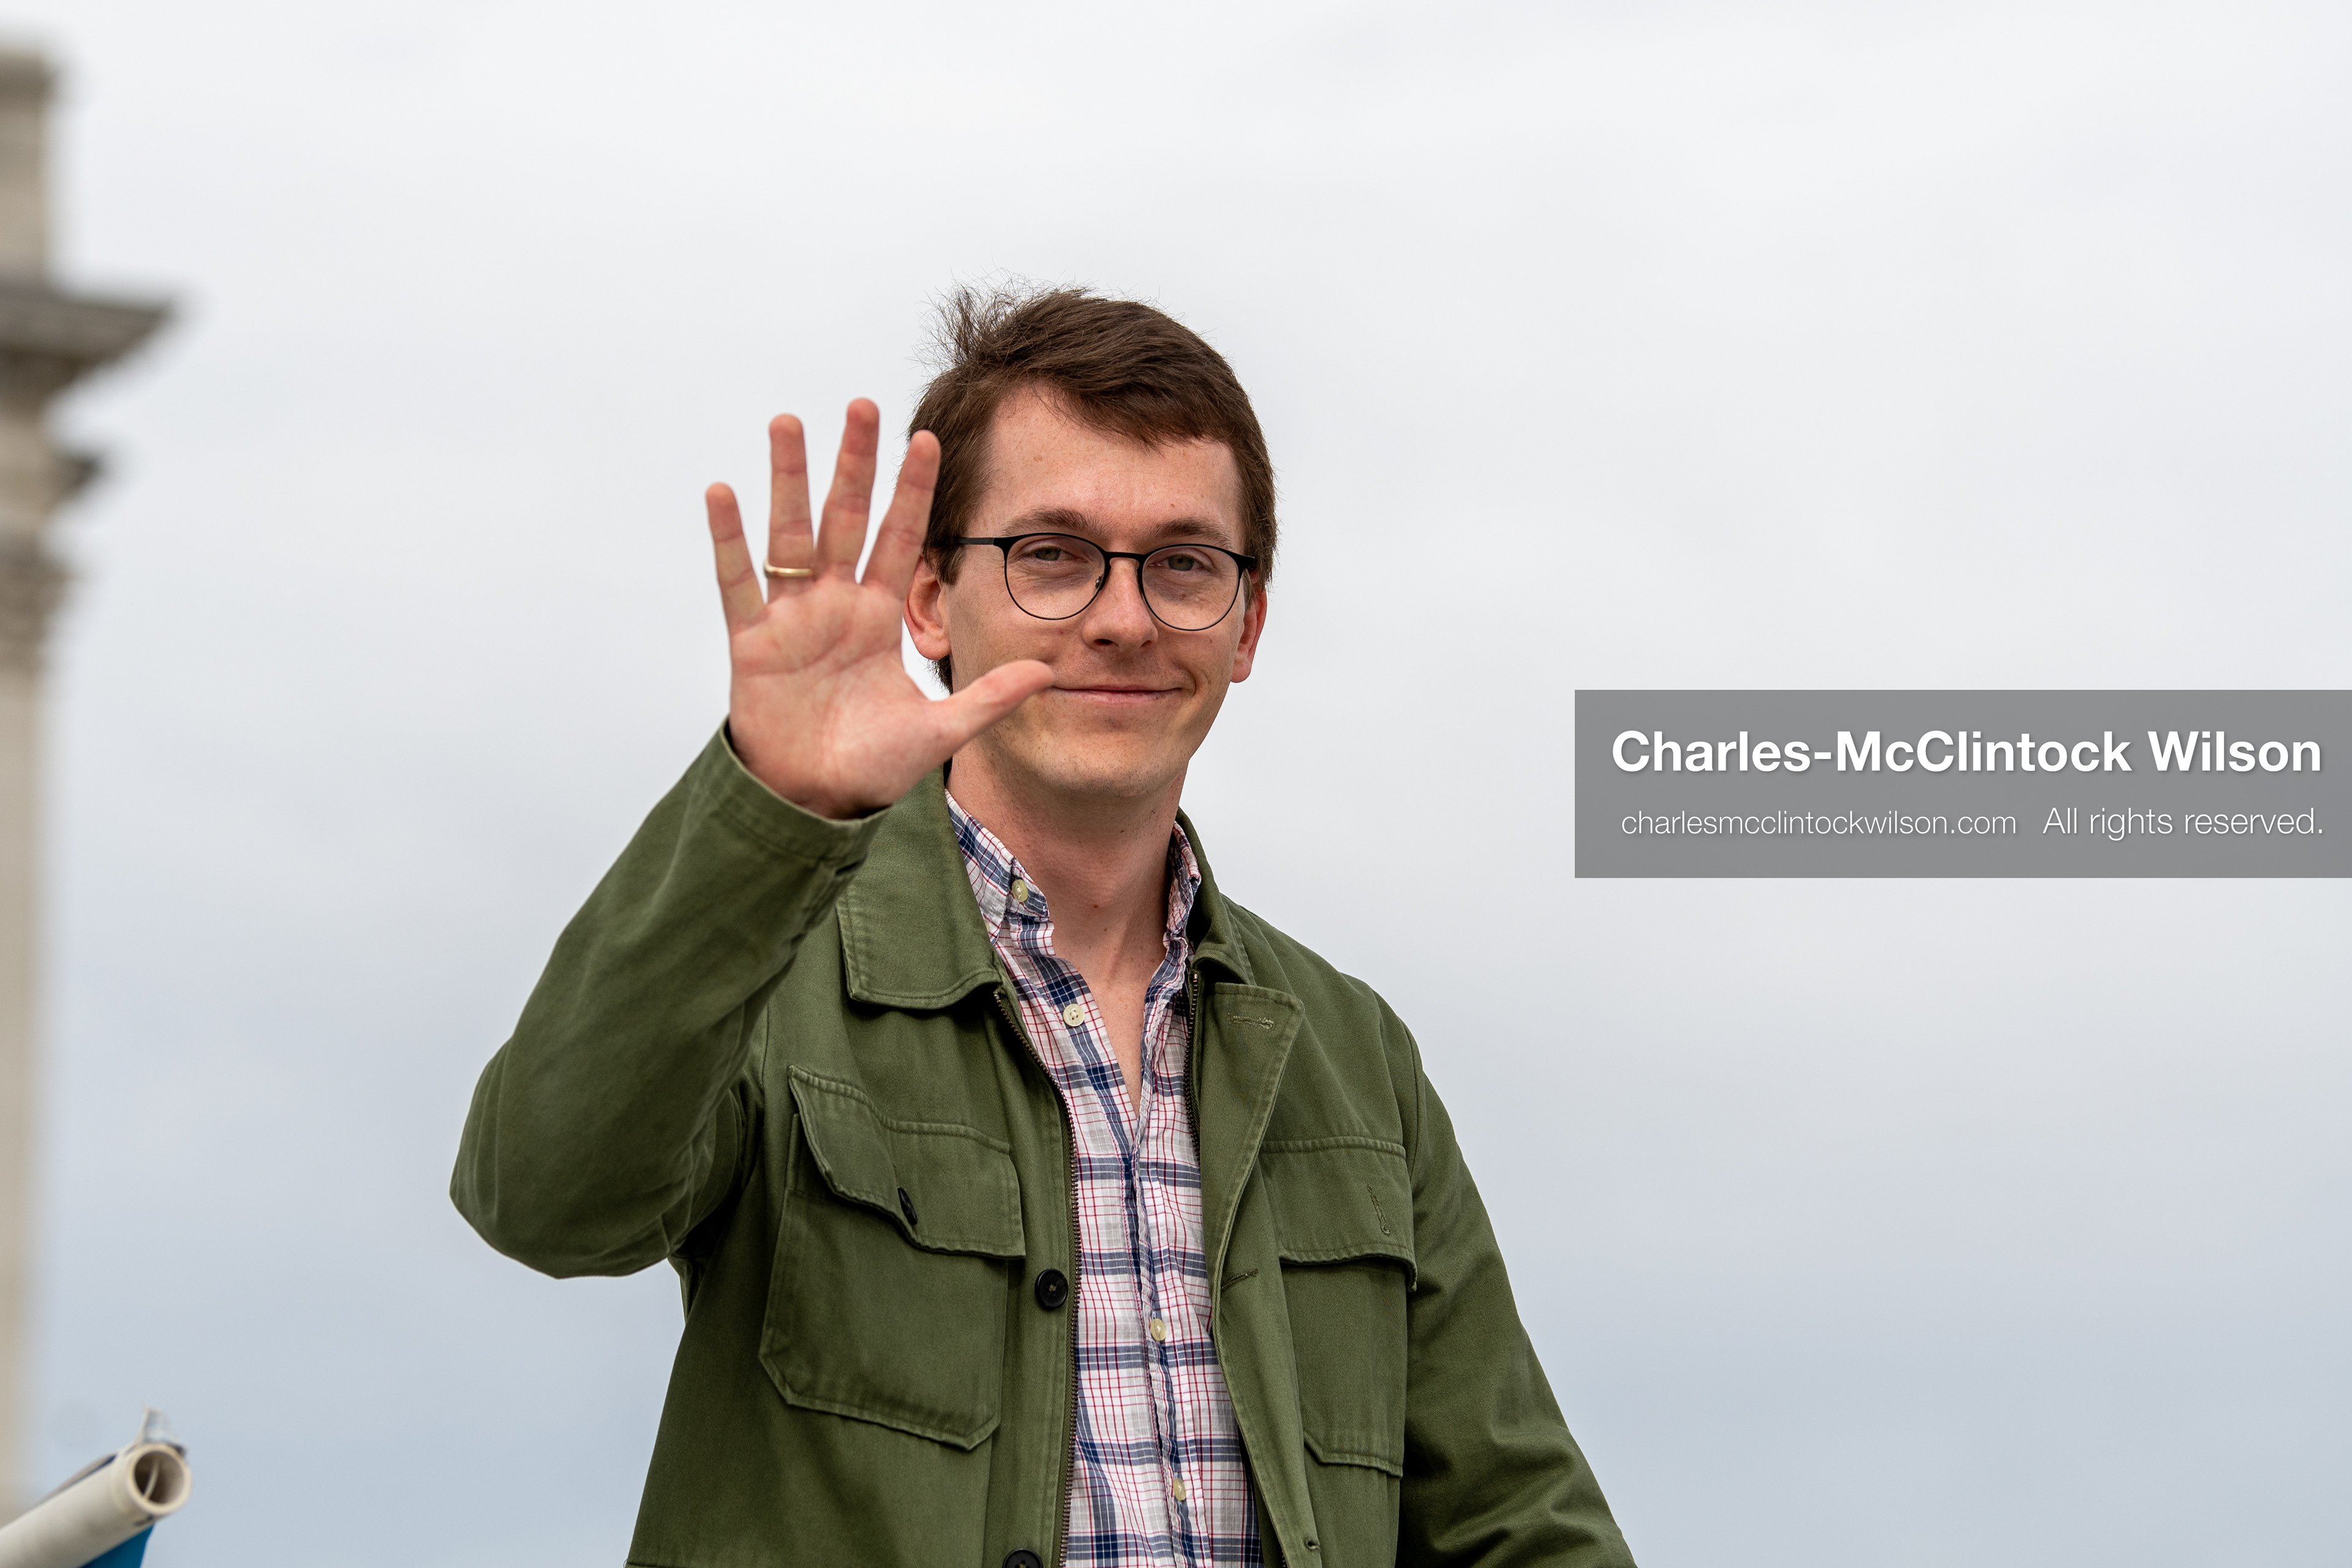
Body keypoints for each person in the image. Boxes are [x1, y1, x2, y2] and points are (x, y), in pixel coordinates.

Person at [452, 287, 1634, 1567]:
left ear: (1248, 624)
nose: (1124, 617)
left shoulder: (1356, 1058)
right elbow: (545, 1199)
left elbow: (1520, 1524)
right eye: (1054, 555)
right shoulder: (771, 969)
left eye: (1185, 563)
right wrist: (771, 807)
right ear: (929, 601)